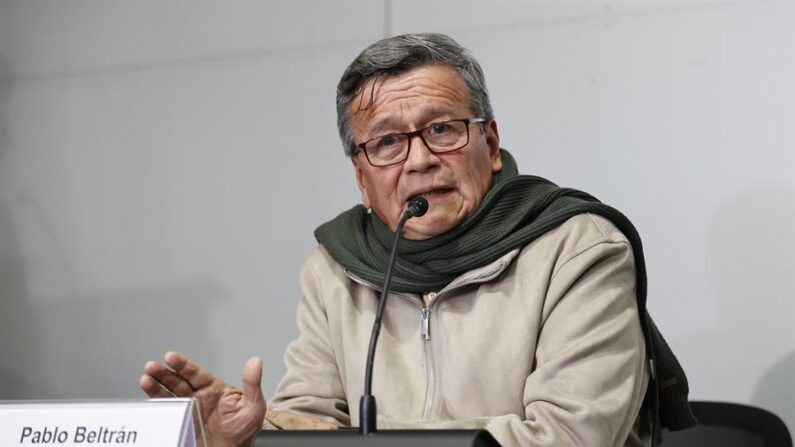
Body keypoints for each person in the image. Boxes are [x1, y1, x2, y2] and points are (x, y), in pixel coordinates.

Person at [140, 33, 693, 447]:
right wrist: (254, 433)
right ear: (362, 177)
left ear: (491, 142)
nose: (421, 159)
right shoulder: (335, 270)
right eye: (386, 143)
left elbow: (572, 436)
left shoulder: (578, 249)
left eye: (442, 129)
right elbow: (314, 423)